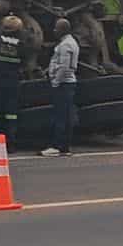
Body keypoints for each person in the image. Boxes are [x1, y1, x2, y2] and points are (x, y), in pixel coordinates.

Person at [42, 18, 79, 156]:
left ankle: (58, 146)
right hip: (67, 83)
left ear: (62, 30)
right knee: (65, 115)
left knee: (60, 116)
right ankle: (64, 146)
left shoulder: (66, 45)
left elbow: (64, 67)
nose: (54, 31)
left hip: (63, 84)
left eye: (56, 28)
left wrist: (56, 81)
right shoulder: (70, 42)